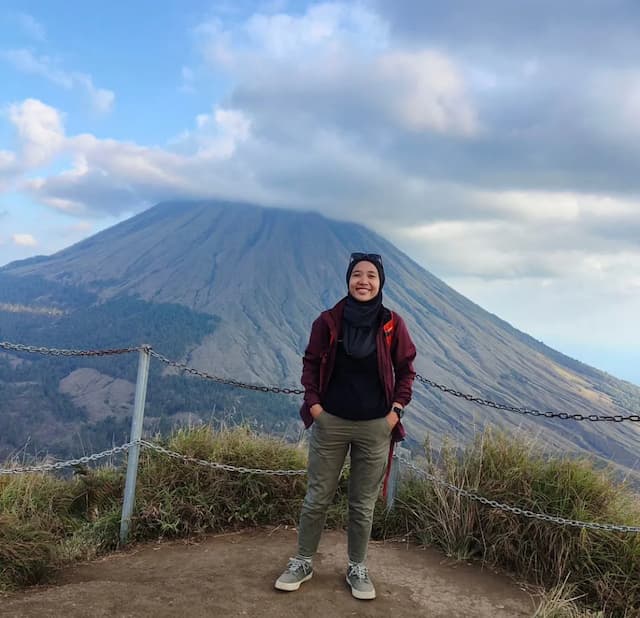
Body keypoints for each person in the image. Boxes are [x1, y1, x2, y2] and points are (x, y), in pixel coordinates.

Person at [275, 252, 417, 600]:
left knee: (362, 502)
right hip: (332, 423)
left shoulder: (392, 324)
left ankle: (357, 567)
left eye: (371, 275)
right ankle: (303, 561)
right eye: (357, 274)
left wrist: (394, 414)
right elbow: (310, 365)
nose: (363, 281)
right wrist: (317, 409)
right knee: (317, 497)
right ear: (347, 280)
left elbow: (406, 370)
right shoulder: (328, 321)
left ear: (380, 282)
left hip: (375, 427)